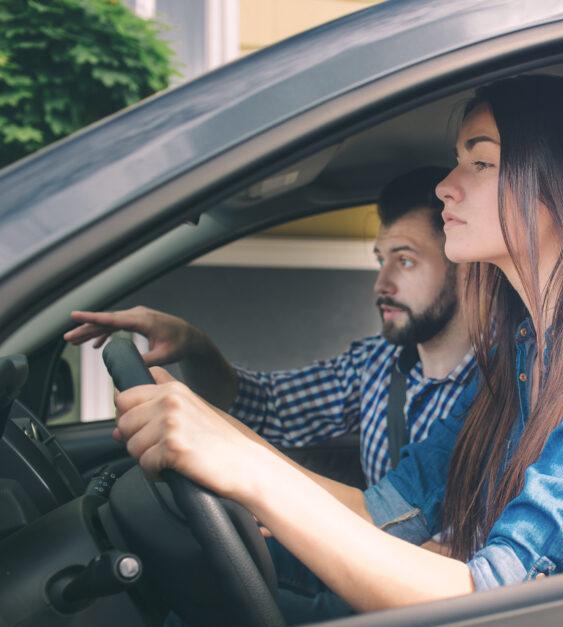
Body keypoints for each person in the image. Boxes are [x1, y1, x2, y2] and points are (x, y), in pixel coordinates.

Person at [110, 74, 563, 619]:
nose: (445, 188)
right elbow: (384, 511)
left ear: (561, 187)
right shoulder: (519, 359)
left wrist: (249, 471)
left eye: (479, 163)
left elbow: (505, 609)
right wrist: (209, 429)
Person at [64, 167, 476, 486]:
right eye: (379, 260)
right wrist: (194, 345)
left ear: (465, 268)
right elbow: (266, 407)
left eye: (404, 261)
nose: (381, 284)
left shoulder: (503, 387)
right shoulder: (377, 364)